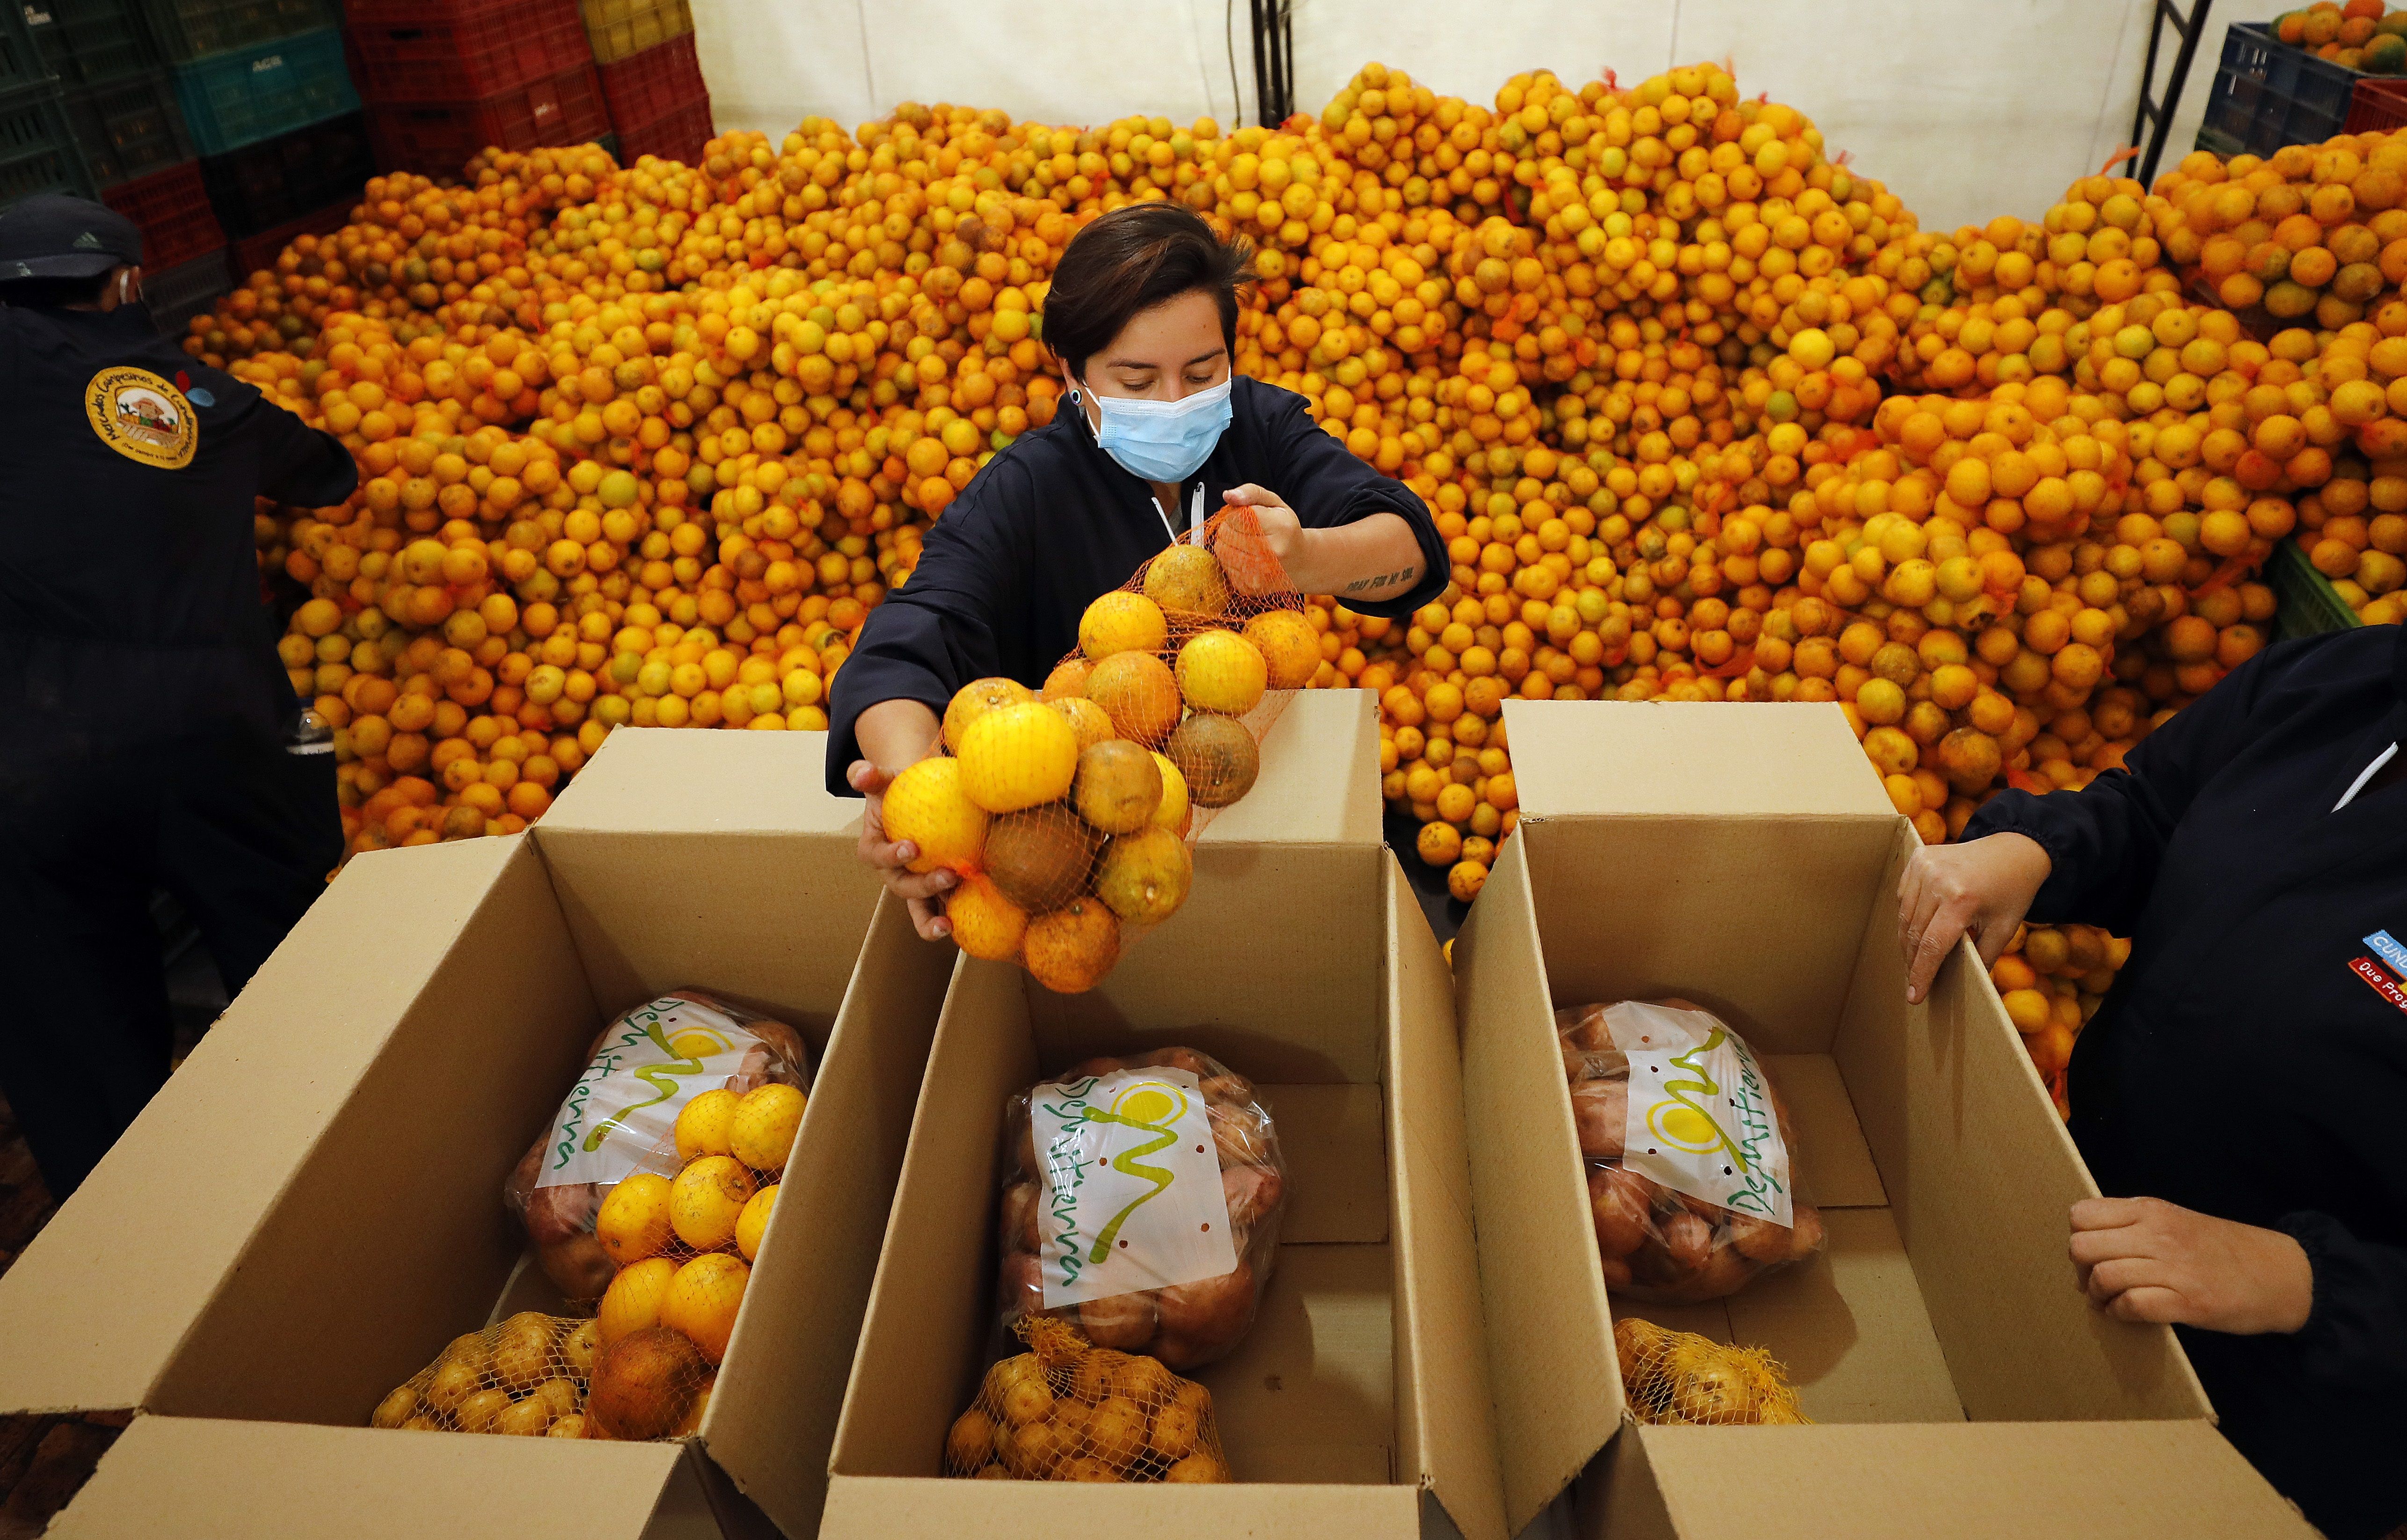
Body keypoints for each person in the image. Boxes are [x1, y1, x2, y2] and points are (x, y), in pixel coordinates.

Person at [1896, 618, 2407, 1540]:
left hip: (2294, 1388)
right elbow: (2152, 809)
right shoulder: (2351, 678)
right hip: (2083, 1215)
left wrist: (2305, 1279)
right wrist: (2035, 851)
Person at [832, 202, 1446, 937]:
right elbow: (906, 640)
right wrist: (916, 795)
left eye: (1201, 370)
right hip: (1090, 851)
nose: (1174, 403)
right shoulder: (1026, 487)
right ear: (1071, 370)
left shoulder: (1260, 428)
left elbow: (1409, 543)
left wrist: (1310, 555)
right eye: (1135, 379)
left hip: (1261, 808)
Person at [0, 196, 359, 1199]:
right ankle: (338, 1180)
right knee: (292, 989)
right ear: (124, 286)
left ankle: (134, 1246)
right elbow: (327, 474)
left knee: (81, 1056)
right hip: (217, 741)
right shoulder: (193, 392)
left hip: (26, 768)